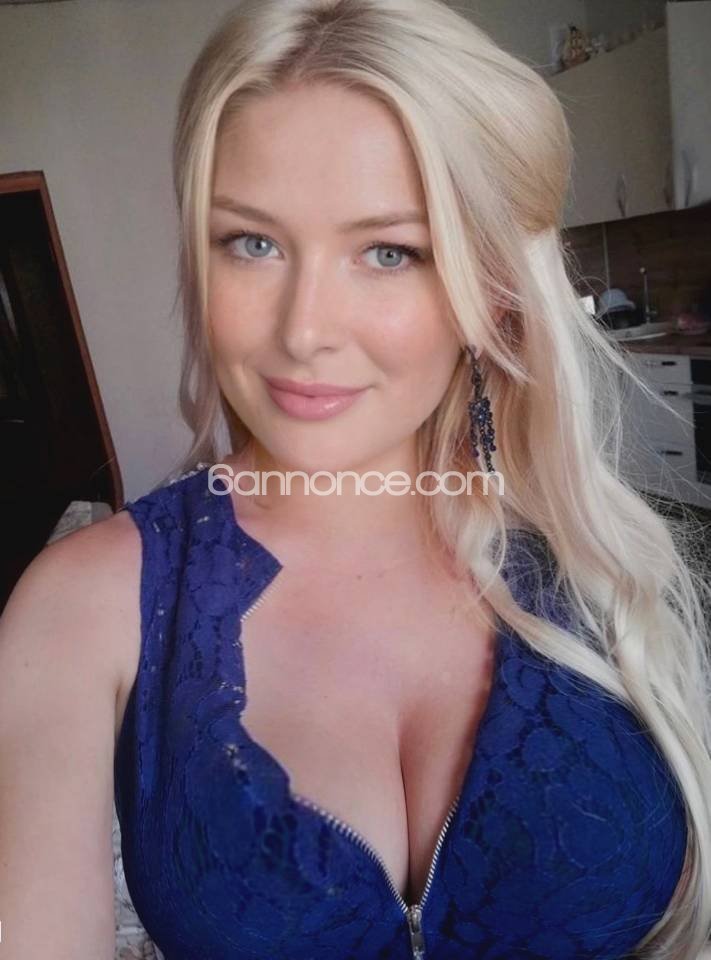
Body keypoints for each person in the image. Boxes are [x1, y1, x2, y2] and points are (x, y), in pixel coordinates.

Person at [1, 0, 710, 957]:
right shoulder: (81, 607)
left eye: (389, 252)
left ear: (492, 288)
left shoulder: (598, 563)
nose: (303, 331)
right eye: (251, 242)